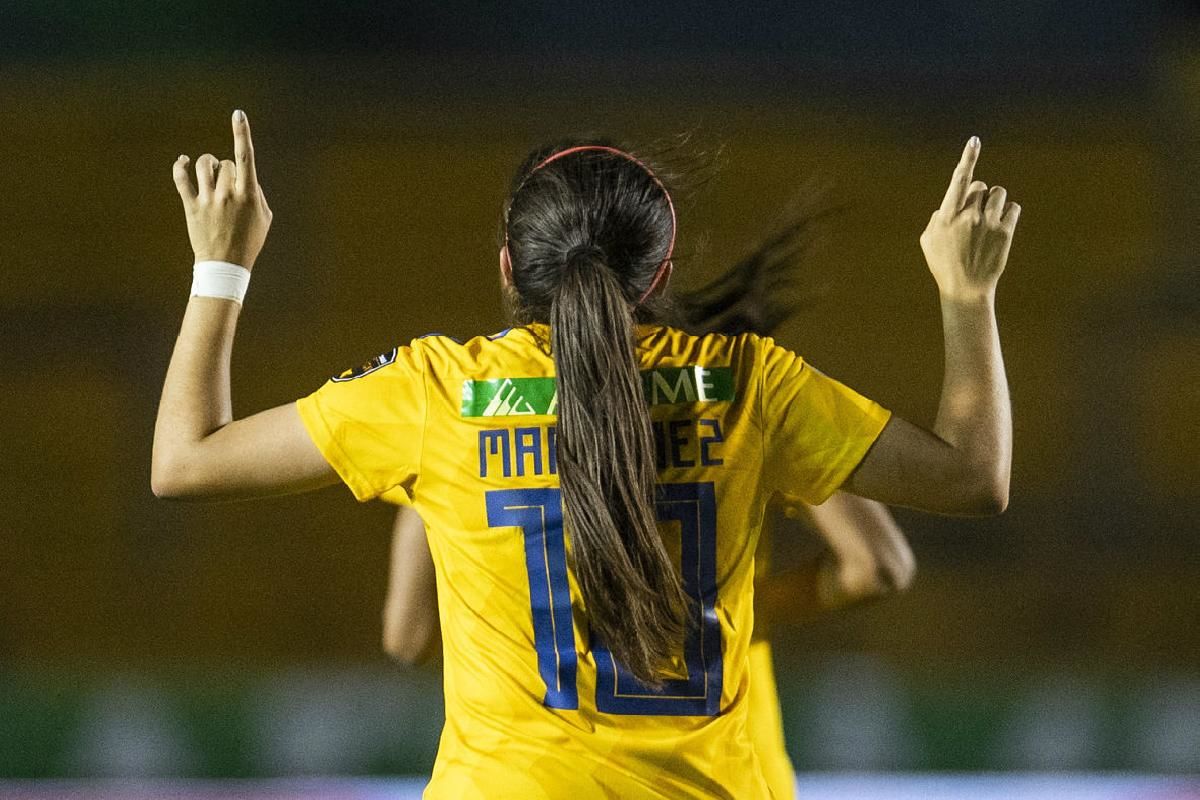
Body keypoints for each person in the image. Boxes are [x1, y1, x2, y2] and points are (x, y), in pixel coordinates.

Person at [153, 111, 1018, 799]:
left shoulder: (435, 396)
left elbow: (184, 462)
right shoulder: (750, 386)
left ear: (507, 268)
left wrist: (219, 267)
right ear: (660, 272)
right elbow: (971, 483)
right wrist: (967, 295)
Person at [378, 218, 918, 800]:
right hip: (722, 772)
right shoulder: (732, 404)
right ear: (656, 277)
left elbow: (406, 639)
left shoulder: (472, 421)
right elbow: (879, 564)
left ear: (518, 269)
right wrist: (715, 615)